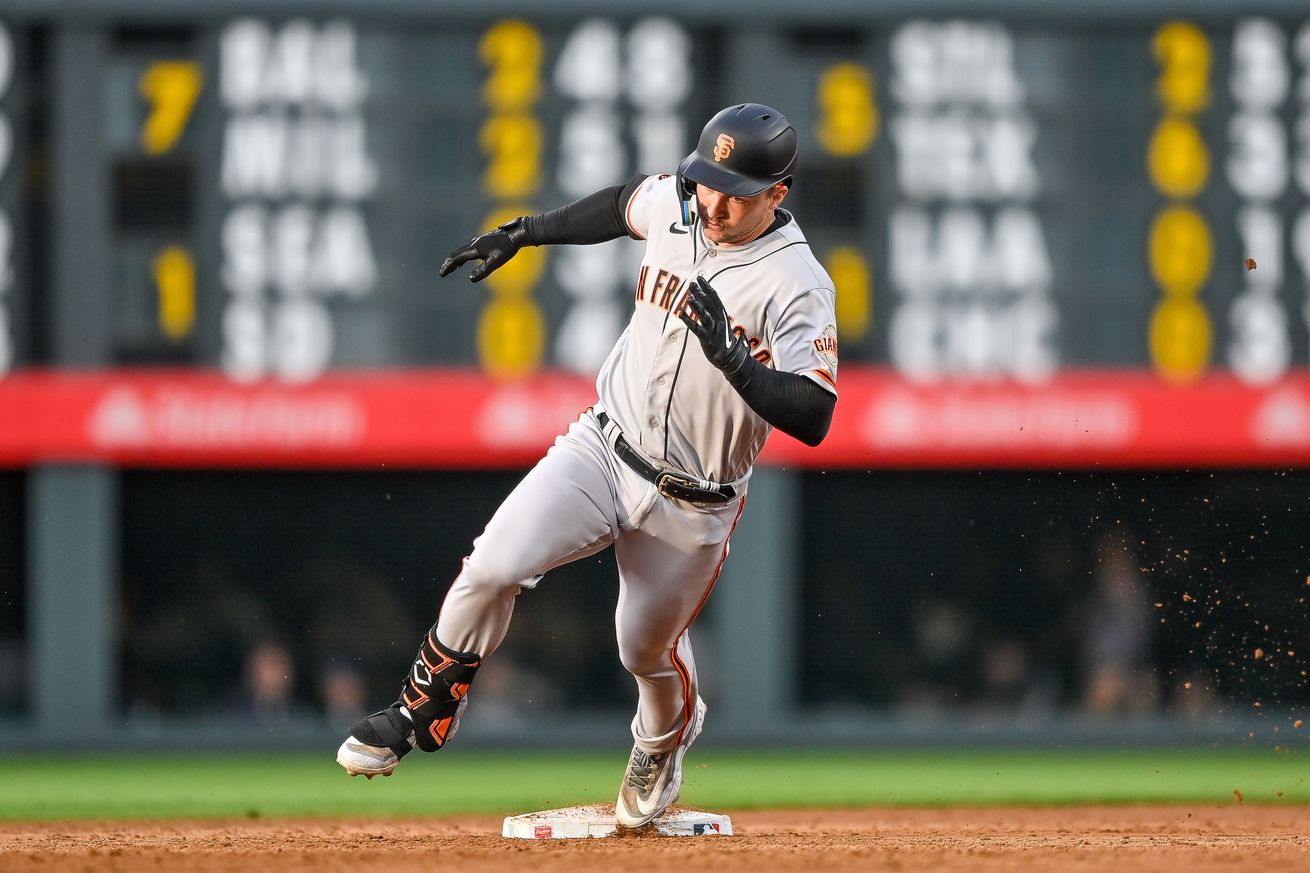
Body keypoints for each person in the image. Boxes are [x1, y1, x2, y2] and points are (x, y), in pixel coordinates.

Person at [336, 103, 840, 828]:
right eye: (708, 180)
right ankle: (420, 709)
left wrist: (734, 359)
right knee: (493, 564)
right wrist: (526, 231)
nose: (714, 201)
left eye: (736, 189)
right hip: (603, 448)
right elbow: (619, 203)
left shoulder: (798, 283)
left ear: (778, 193)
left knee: (644, 652)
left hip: (693, 502)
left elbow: (814, 416)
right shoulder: (680, 203)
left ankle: (661, 743)